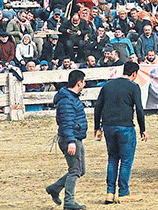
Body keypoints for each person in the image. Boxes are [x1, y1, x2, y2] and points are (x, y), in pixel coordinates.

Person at [94, 61, 148, 204]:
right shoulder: (134, 87)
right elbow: (139, 110)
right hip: (125, 127)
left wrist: (96, 127)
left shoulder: (107, 85)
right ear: (134, 73)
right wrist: (143, 129)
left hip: (108, 126)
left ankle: (109, 193)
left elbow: (98, 107)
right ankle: (123, 192)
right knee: (126, 160)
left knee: (112, 158)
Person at [46, 69, 88, 210]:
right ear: (78, 83)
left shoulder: (71, 98)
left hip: (76, 137)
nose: (85, 84)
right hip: (71, 138)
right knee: (75, 170)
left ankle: (55, 188)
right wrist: (70, 141)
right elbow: (66, 123)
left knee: (80, 170)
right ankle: (69, 202)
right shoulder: (66, 101)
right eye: (83, 81)